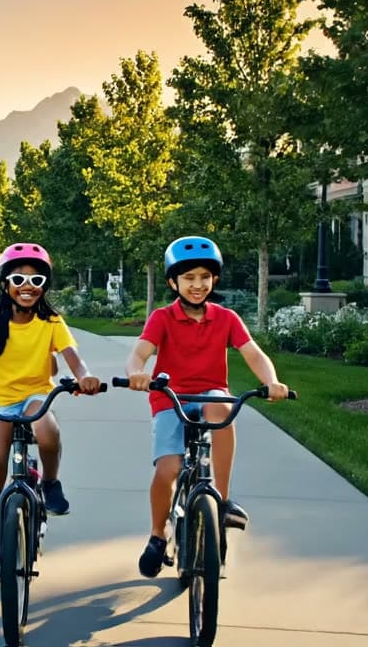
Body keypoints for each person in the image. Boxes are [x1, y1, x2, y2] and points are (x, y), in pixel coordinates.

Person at [120, 235, 290, 578]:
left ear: (214, 279)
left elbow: (253, 353)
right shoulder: (162, 318)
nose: (198, 285)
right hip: (171, 396)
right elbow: (140, 352)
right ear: (173, 282)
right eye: (189, 278)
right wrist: (136, 373)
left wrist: (272, 380)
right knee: (168, 468)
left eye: (204, 277)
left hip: (211, 393)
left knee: (222, 408)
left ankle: (221, 501)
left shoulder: (226, 318)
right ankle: (157, 534)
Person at [0, 242, 103, 581]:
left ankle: (51, 483)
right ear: (5, 284)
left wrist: (84, 377)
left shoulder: (52, 321)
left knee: (47, 430)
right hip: (0, 400)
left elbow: (73, 357)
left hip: (36, 394)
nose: (28, 285)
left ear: (45, 286)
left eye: (36, 280)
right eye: (19, 278)